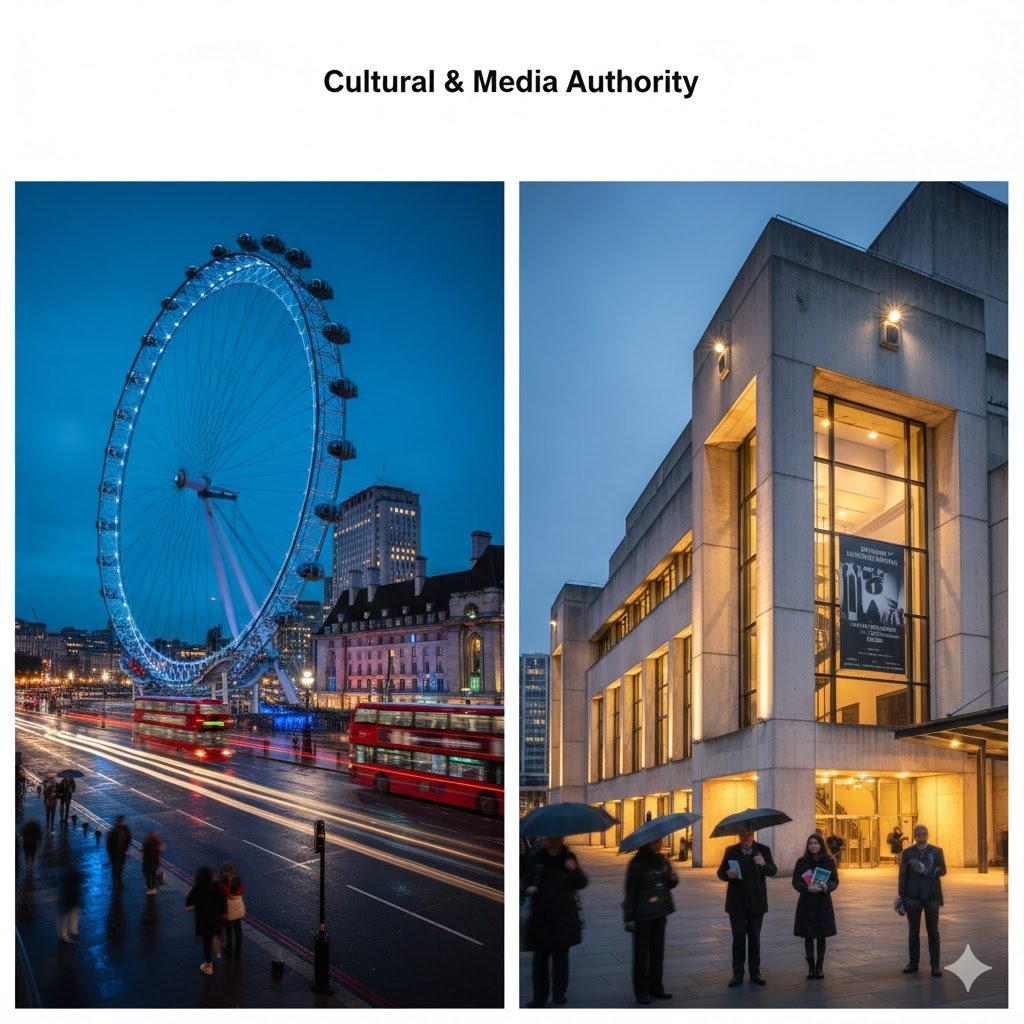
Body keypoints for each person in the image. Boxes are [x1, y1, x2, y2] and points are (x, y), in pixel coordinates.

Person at [522, 836, 588, 1008]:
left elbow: (582, 883)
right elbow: (525, 881)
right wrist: (528, 888)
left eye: (559, 838)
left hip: (563, 916)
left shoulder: (569, 857)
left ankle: (559, 993)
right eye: (553, 838)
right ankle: (540, 997)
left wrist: (574, 870)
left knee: (561, 958)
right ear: (546, 840)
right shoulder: (536, 858)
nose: (556, 842)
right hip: (541, 917)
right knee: (540, 960)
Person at [717, 828, 778, 986]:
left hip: (756, 903)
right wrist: (727, 874)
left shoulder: (763, 850)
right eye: (742, 834)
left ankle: (755, 973)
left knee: (754, 939)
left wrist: (764, 865)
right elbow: (721, 872)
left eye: (748, 834)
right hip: (736, 903)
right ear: (738, 835)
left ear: (753, 834)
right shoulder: (731, 850)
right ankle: (737, 974)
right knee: (738, 939)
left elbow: (773, 870)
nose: (745, 837)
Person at [623, 839, 678, 1003]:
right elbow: (630, 891)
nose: (660, 845)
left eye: (660, 842)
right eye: (656, 843)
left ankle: (656, 987)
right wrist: (629, 916)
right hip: (643, 914)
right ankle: (641, 991)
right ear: (647, 844)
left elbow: (672, 883)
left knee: (657, 953)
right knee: (641, 955)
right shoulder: (637, 863)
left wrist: (671, 874)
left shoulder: (662, 860)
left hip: (660, 911)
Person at [897, 824, 946, 977]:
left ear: (928, 835)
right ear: (914, 836)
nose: (921, 835)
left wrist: (927, 870)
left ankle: (935, 965)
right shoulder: (907, 853)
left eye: (924, 833)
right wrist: (901, 896)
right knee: (913, 931)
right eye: (918, 833)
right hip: (913, 897)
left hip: (931, 896)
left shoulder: (937, 851)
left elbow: (943, 870)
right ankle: (913, 962)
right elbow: (902, 875)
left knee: (933, 931)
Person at [791, 834, 839, 979]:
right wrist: (807, 889)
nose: (813, 846)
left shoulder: (829, 861)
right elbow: (795, 882)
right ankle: (811, 968)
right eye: (810, 843)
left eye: (816, 843)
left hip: (823, 903)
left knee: (822, 936)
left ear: (821, 845)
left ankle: (820, 968)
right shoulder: (802, 862)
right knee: (809, 936)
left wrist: (827, 887)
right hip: (807, 903)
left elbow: (835, 881)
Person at [186, 866, 227, 975]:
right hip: (215, 919)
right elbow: (222, 901)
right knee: (214, 933)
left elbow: (188, 902)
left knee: (206, 943)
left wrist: (194, 907)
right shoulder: (216, 886)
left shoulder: (197, 888)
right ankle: (217, 944)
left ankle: (209, 966)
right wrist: (222, 912)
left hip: (203, 921)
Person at [219, 861, 246, 958]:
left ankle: (229, 949)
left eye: (225, 871)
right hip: (237, 908)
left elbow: (223, 894)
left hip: (228, 908)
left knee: (229, 930)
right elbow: (241, 891)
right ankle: (237, 951)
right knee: (237, 930)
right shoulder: (237, 879)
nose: (225, 873)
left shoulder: (223, 881)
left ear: (227, 871)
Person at [58, 864, 84, 943]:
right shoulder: (75, 878)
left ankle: (66, 933)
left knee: (66, 916)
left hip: (68, 900)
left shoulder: (65, 879)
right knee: (73, 914)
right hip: (72, 899)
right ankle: (72, 931)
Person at [106, 815, 132, 890]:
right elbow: (109, 844)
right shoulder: (114, 831)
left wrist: (126, 849)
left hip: (122, 852)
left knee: (120, 868)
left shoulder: (125, 829)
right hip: (115, 853)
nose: (122, 822)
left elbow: (129, 838)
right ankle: (116, 883)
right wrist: (110, 854)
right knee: (116, 868)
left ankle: (118, 882)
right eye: (121, 821)